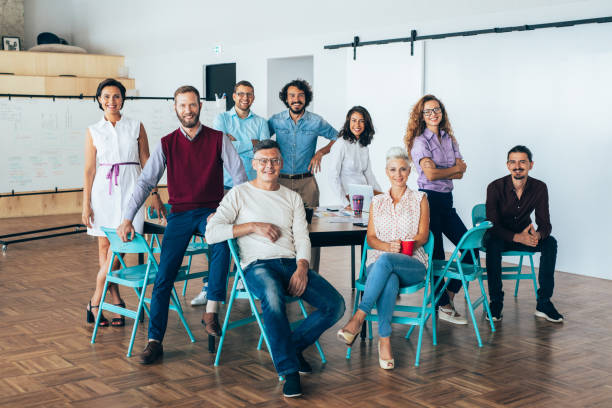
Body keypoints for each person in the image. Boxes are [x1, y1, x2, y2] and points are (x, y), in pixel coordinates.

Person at [116, 85, 247, 364]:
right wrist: (127, 217)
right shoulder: (166, 143)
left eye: (192, 105)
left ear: (200, 106)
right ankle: (154, 341)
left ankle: (211, 310)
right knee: (164, 278)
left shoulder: (219, 139)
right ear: (175, 108)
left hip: (211, 212)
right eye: (182, 105)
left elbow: (240, 180)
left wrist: (227, 212)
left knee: (222, 241)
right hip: (179, 215)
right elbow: (145, 182)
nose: (188, 110)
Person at [206, 139, 345, 397]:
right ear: (254, 164)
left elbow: (303, 237)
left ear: (280, 164)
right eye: (263, 161)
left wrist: (302, 267)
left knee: (335, 304)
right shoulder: (239, 193)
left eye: (274, 161)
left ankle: (288, 347)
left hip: (291, 264)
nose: (269, 166)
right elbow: (211, 233)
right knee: (272, 295)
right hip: (257, 266)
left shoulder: (292, 197)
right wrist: (252, 226)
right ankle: (289, 370)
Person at [82, 78, 165, 328]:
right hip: (103, 191)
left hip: (132, 188)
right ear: (99, 100)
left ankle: (95, 299)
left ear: (123, 99)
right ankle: (116, 300)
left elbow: (147, 162)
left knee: (123, 243)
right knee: (105, 248)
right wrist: (86, 203)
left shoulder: (136, 126)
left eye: (116, 96)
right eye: (106, 96)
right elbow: (88, 169)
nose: (111, 101)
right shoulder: (93, 130)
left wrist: (154, 193)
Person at [337, 147, 429, 370]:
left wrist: (406, 245)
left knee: (386, 261)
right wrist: (388, 246)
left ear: (410, 171)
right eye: (393, 170)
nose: (398, 174)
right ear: (386, 172)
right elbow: (371, 238)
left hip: (412, 263)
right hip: (380, 265)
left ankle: (359, 317)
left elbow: (423, 236)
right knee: (389, 277)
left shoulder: (420, 199)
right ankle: (384, 340)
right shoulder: (377, 202)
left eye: (403, 169)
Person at [190, 80, 270, 307]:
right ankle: (211, 286)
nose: (245, 98)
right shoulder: (222, 119)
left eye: (250, 94)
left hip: (253, 188)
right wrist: (249, 143)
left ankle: (244, 280)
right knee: (217, 236)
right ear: (234, 96)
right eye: (241, 94)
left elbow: (262, 150)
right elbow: (223, 145)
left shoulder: (261, 122)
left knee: (249, 234)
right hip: (223, 188)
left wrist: (237, 142)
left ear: (253, 98)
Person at [405, 94, 472, 325]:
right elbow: (431, 175)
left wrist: (449, 170)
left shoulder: (449, 139)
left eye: (437, 110)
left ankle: (446, 298)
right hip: (429, 201)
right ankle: (442, 303)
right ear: (421, 117)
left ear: (442, 112)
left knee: (471, 250)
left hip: (447, 200)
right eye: (428, 111)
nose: (433, 114)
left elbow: (462, 172)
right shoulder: (420, 142)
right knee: (437, 256)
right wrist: (452, 168)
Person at [484, 145, 562, 323]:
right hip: (500, 237)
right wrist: (519, 237)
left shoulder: (540, 187)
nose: (517, 166)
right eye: (513, 162)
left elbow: (545, 224)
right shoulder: (495, 187)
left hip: (526, 237)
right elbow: (492, 226)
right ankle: (496, 302)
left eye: (522, 162)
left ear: (531, 165)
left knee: (551, 243)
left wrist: (538, 236)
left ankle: (544, 303)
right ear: (507, 165)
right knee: (492, 244)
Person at [268, 79, 337, 271]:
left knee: (310, 230)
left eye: (300, 95)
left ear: (306, 98)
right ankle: (284, 271)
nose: (296, 99)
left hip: (307, 183)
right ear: (286, 99)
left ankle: (311, 274)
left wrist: (320, 152)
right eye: (292, 96)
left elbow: (338, 138)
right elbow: (259, 138)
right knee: (281, 228)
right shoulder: (276, 120)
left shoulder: (316, 121)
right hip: (279, 182)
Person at [328, 106, 382, 208]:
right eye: (354, 120)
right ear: (348, 122)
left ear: (366, 124)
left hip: (364, 194)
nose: (357, 125)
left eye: (361, 121)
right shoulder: (341, 144)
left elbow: (369, 175)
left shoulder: (363, 146)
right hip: (347, 197)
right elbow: (332, 177)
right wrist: (345, 203)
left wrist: (381, 195)